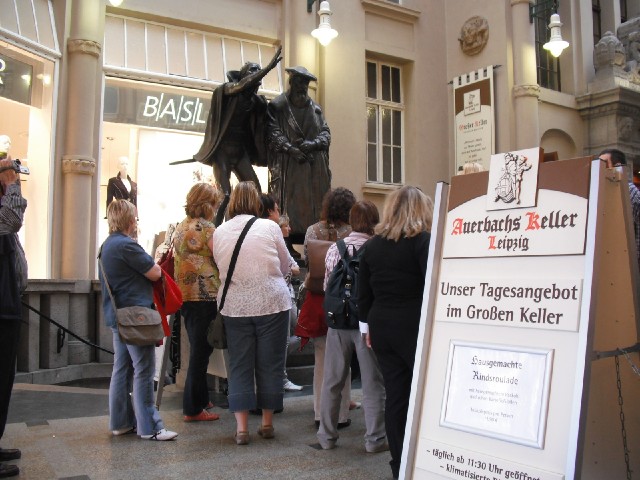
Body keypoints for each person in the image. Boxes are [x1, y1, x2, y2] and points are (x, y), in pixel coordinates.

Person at [358, 186, 433, 480]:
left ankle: (399, 464)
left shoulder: (373, 246)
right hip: (413, 325)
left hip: (382, 326)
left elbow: (364, 292)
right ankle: (424, 460)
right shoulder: (422, 242)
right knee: (424, 394)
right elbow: (433, 284)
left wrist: (366, 327)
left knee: (396, 396)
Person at [213, 181, 291, 445]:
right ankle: (267, 423)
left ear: (233, 202)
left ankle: (242, 428)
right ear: (256, 202)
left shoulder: (220, 231)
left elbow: (219, 265)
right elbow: (285, 263)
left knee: (239, 365)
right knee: (271, 363)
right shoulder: (269, 227)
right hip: (272, 303)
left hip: (235, 307)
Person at [99, 199, 178, 441]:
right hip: (136, 316)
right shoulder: (127, 246)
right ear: (129, 220)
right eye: (135, 218)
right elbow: (155, 272)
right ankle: (150, 427)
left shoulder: (107, 246)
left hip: (119, 316)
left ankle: (120, 423)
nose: (136, 222)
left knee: (121, 370)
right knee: (144, 370)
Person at [317, 201, 387, 453]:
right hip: (367, 323)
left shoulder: (335, 249)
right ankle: (374, 440)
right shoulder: (378, 248)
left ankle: (326, 436)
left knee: (332, 382)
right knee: (372, 383)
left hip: (338, 323)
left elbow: (327, 286)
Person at [193, 47, 282, 226]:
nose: (256, 76)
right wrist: (268, 68)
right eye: (252, 72)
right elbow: (242, 85)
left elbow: (270, 120)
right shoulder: (227, 90)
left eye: (258, 72)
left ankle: (254, 228)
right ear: (242, 76)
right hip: (222, 152)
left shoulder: (257, 102)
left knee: (256, 193)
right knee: (225, 194)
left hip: (240, 152)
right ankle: (216, 230)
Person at [300, 187, 356, 429]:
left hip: (318, 299)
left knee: (321, 358)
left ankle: (319, 412)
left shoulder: (313, 230)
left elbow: (305, 260)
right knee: (342, 358)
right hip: (343, 299)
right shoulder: (352, 232)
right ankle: (340, 414)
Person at [173, 183, 222, 422]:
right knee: (201, 352)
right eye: (214, 204)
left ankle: (202, 398)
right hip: (205, 293)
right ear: (207, 204)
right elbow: (220, 257)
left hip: (184, 293)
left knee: (198, 347)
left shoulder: (180, 227)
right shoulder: (208, 228)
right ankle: (192, 409)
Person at [266, 66, 331, 244]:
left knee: (313, 210)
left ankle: (311, 240)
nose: (303, 87)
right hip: (289, 167)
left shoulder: (316, 109)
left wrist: (313, 144)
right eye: (299, 82)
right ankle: (286, 242)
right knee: (287, 207)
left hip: (312, 170)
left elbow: (325, 133)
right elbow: (273, 132)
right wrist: (290, 149)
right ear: (291, 82)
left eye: (306, 83)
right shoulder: (278, 106)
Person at [259, 193, 303, 392]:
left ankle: (278, 374)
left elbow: (292, 267)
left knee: (299, 331)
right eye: (286, 225)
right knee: (285, 337)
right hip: (279, 296)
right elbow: (289, 267)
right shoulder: (271, 233)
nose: (290, 229)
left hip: (285, 296)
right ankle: (280, 377)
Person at [0, 156, 27, 478]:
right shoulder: (6, 202)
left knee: (4, 379)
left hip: (7, 303)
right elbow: (10, 219)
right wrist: (11, 185)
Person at [599, 148, 640, 272]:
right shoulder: (606, 191)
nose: (599, 168)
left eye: (603, 164)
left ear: (617, 166)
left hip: (628, 264)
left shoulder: (630, 193)